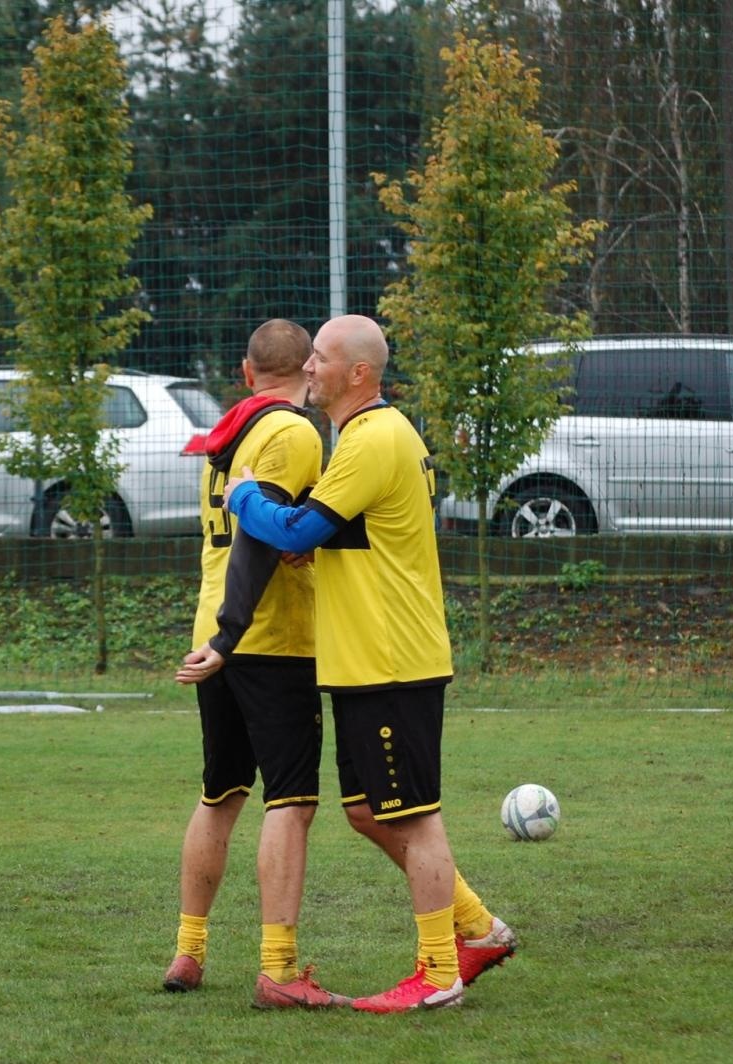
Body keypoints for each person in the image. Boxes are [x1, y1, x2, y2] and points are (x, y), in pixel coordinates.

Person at [223, 313, 517, 1014]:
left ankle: (441, 968)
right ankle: (476, 927)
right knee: (366, 810)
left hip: (391, 660)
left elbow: (295, 526)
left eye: (321, 359)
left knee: (415, 818)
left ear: (359, 372)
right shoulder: (364, 438)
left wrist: (243, 494)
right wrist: (309, 541)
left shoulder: (372, 439)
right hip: (363, 662)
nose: (310, 369)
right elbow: (334, 534)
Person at [163, 319, 350, 1010]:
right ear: (307, 372)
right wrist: (235, 633)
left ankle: (189, 950)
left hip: (213, 631)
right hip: (265, 640)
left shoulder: (233, 434)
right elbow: (256, 540)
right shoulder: (295, 432)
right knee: (291, 801)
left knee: (220, 795)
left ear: (246, 373)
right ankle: (278, 968)